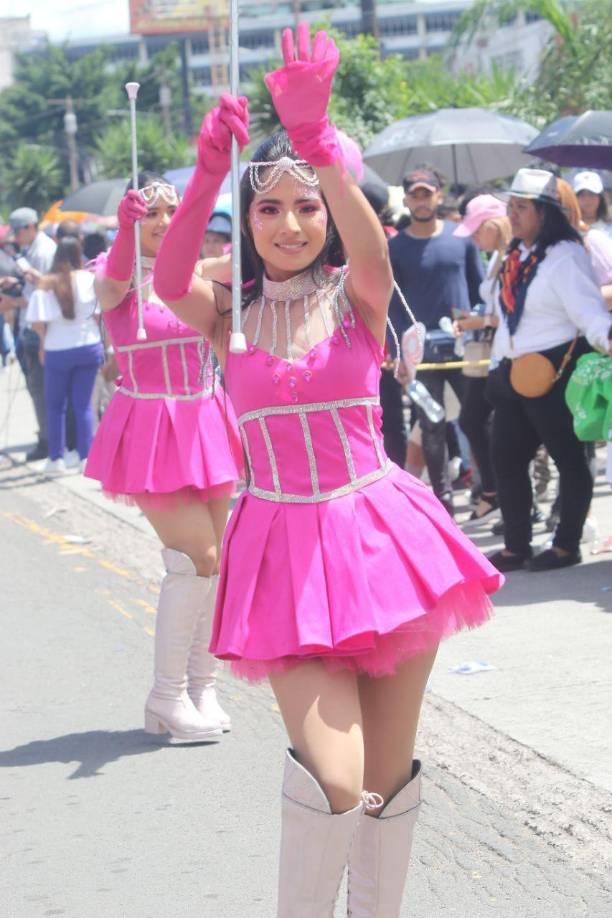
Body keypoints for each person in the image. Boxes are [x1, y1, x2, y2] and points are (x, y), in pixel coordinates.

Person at [154, 26, 502, 916]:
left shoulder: (358, 297)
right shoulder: (225, 313)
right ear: (248, 221)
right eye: (269, 208)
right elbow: (166, 281)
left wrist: (318, 143)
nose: (290, 224)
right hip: (282, 556)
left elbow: (372, 249)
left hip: (384, 541)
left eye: (307, 207)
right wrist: (206, 175)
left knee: (384, 785)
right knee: (336, 781)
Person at [85, 171, 242, 742]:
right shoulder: (116, 279)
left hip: (207, 420)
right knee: (196, 556)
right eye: (149, 210)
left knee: (217, 562)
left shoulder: (194, 273)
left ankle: (202, 686)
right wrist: (123, 235)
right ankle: (166, 696)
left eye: (171, 209)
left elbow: (255, 263)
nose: (163, 220)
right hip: (151, 426)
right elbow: (112, 283)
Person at [485, 168, 611, 574]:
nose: (512, 214)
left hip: (555, 371)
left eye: (522, 207)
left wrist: (607, 337)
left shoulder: (566, 255)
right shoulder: (515, 255)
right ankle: (516, 545)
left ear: (545, 212)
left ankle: (566, 544)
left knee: (569, 459)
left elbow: (589, 312)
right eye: (511, 206)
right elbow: (504, 315)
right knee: (506, 458)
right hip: (513, 373)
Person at [386, 166, 484, 513]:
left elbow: (481, 291)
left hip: (465, 348)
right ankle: (443, 501)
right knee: (431, 426)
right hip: (421, 354)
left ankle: (488, 489)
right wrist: (398, 351)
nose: (421, 201)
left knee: (477, 420)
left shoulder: (462, 238)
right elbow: (391, 305)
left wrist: (478, 327)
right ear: (406, 200)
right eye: (415, 195)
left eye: (427, 194)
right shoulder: (394, 248)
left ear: (438, 196)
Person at [452, 194, 510, 524]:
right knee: (474, 420)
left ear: (492, 225)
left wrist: (481, 321)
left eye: (476, 231)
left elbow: (512, 312)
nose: (474, 239)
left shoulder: (512, 256)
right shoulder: (496, 257)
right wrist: (477, 319)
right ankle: (494, 491)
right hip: (494, 353)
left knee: (490, 426)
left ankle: (499, 494)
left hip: (507, 354)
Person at [25, 237, 103, 474]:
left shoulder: (47, 284)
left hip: (57, 348)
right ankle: (85, 456)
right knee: (84, 406)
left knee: (55, 406)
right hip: (88, 344)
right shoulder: (90, 279)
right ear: (79, 254)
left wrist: (42, 344)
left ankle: (56, 458)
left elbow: (38, 323)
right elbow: (98, 316)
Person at [7, 207, 56, 460]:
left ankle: (48, 441)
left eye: (18, 231)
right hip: (32, 327)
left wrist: (13, 302)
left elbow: (47, 296)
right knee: (37, 387)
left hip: (40, 329)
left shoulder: (44, 251)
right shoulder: (34, 249)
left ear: (29, 227)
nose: (16, 237)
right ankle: (48, 437)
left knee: (40, 388)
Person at [573, 171, 611, 238]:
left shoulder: (609, 226)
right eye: (582, 194)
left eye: (591, 194)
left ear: (600, 197)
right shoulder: (569, 227)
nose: (587, 199)